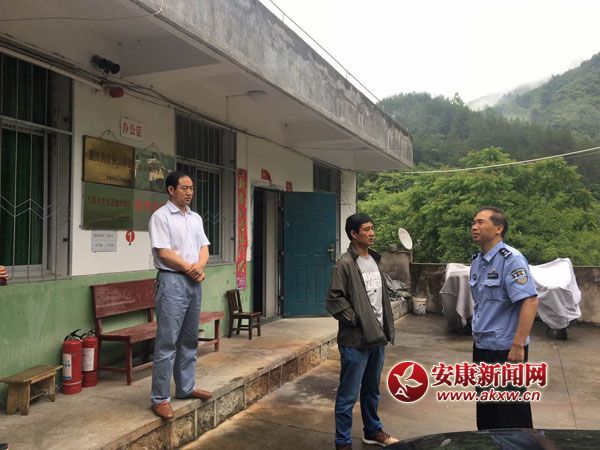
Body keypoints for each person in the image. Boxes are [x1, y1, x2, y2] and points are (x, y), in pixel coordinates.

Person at [326, 213, 399, 449]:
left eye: (372, 228)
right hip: (355, 341)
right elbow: (334, 299)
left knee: (372, 390)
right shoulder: (345, 263)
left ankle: (372, 431)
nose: (372, 233)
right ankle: (343, 442)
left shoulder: (375, 260)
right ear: (353, 234)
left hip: (377, 338)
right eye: (366, 229)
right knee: (348, 395)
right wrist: (357, 320)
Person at [148, 171, 212, 420]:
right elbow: (163, 252)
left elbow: (204, 247)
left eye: (192, 188)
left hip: (194, 281)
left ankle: (185, 387)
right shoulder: (160, 217)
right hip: (172, 281)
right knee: (167, 342)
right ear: (171, 190)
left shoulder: (195, 218)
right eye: (184, 188)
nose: (189, 192)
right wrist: (189, 268)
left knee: (189, 338)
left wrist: (199, 267)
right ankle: (160, 398)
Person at [470, 206, 539, 430]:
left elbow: (530, 301)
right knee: (487, 408)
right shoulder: (477, 262)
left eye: (481, 222)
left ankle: (519, 445)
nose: (474, 227)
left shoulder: (512, 260)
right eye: (473, 222)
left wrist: (518, 345)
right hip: (483, 346)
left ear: (499, 229)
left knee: (511, 412)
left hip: (506, 350)